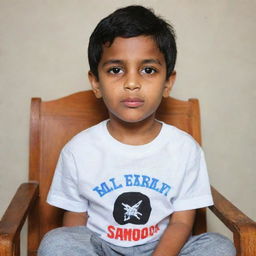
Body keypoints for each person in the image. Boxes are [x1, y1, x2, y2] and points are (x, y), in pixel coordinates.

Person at [38, 5, 236, 256]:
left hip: (164, 248)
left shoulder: (185, 149)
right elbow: (75, 227)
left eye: (148, 70)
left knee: (219, 247)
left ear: (168, 83)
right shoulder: (78, 150)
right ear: (96, 83)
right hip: (102, 248)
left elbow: (182, 222)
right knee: (57, 242)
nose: (132, 83)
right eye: (116, 70)